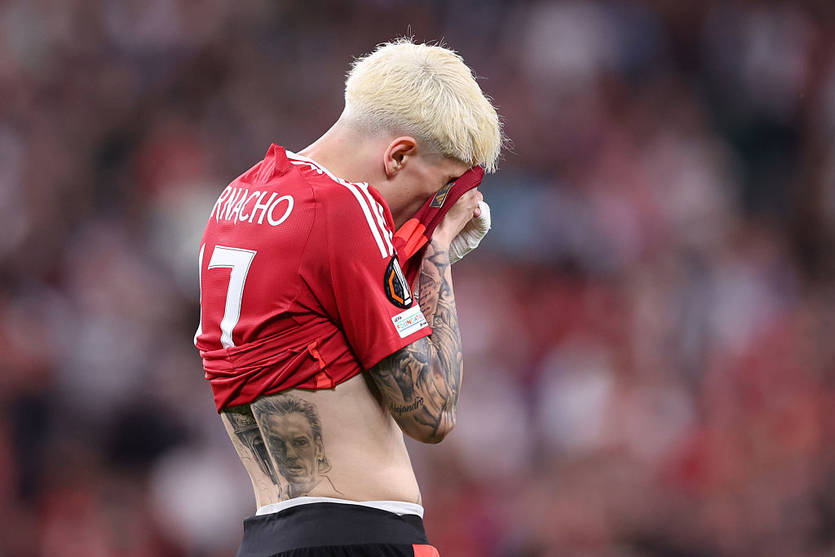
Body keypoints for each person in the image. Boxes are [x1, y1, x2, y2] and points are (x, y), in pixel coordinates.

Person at [194, 38, 502, 557]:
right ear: (399, 155)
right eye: (445, 186)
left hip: (267, 538)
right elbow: (433, 412)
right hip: (361, 536)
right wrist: (439, 247)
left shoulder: (237, 198)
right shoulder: (346, 209)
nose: (437, 207)